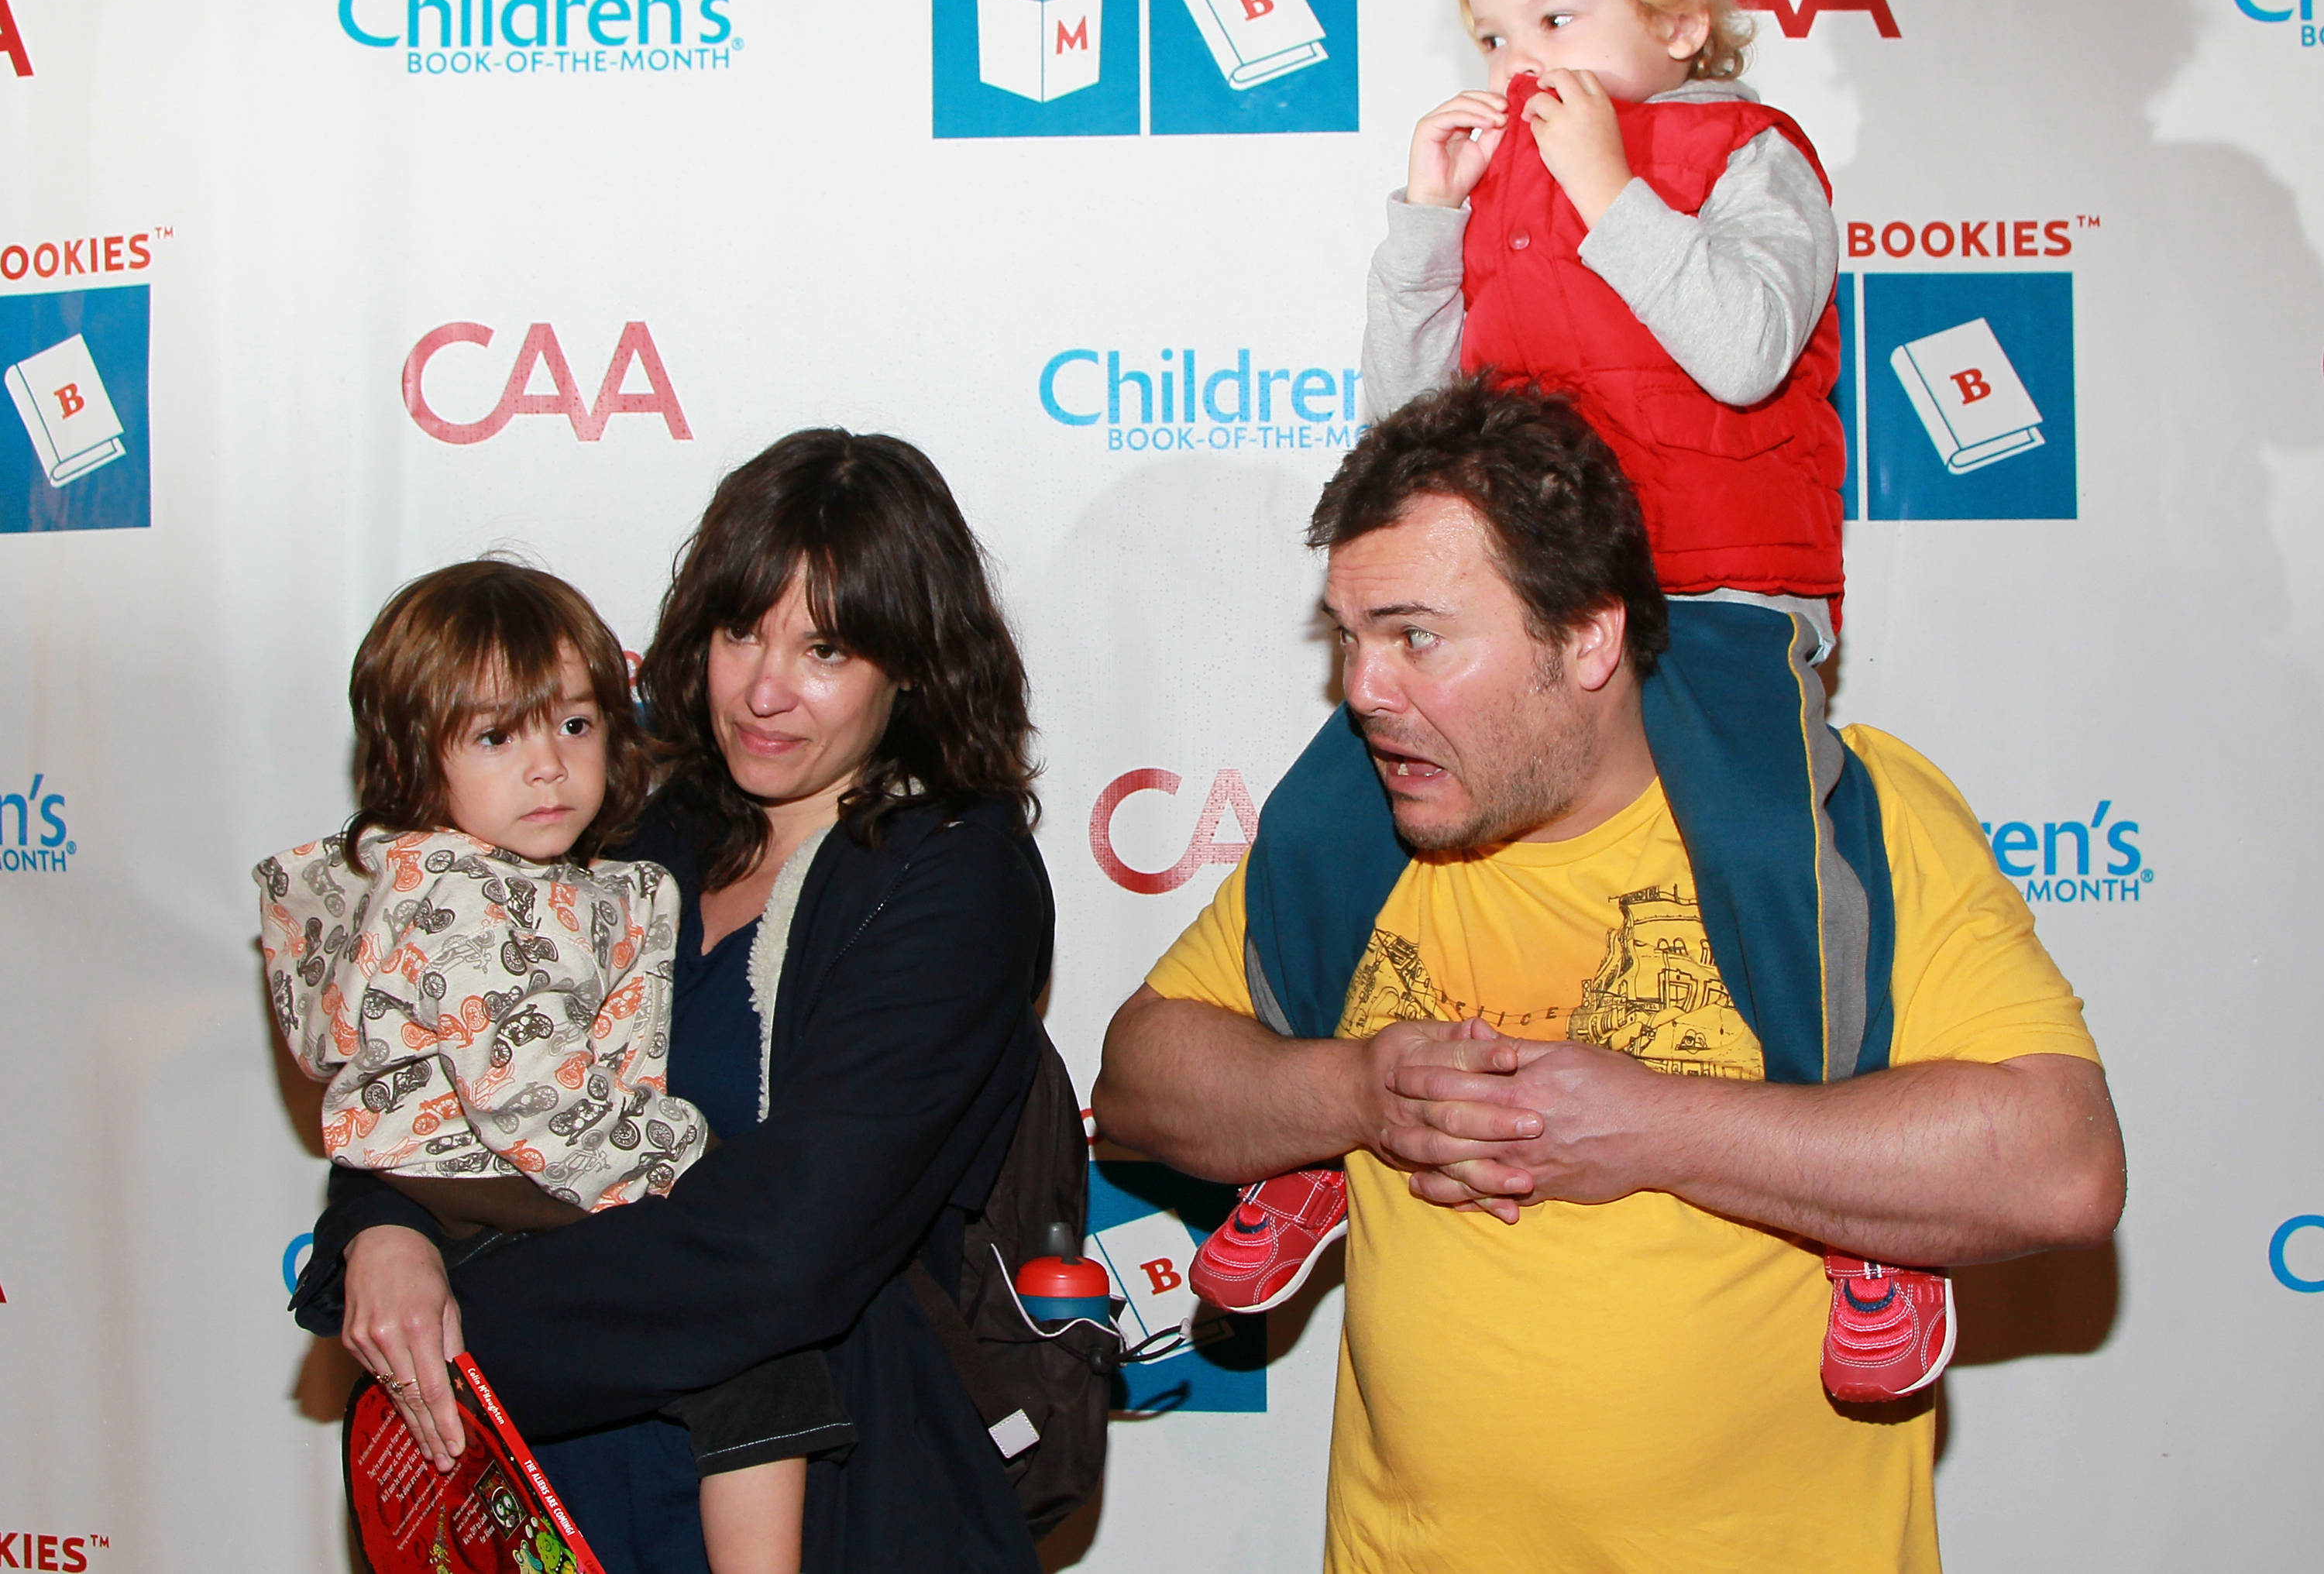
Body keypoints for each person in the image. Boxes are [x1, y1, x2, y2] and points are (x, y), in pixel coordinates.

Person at [1095, 383, 2125, 1572]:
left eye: (1417, 636)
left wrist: (1654, 1128)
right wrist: (1361, 1094)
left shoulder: (1830, 823)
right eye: (1350, 638)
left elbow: (2063, 1163)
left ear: (1587, 636)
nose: (1365, 691)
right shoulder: (1359, 836)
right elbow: (1135, 1081)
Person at [1188, 0, 1880, 1370]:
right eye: (1498, 33)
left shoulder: (1754, 155)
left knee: (1772, 843)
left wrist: (1612, 187)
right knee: (1316, 819)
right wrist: (1427, 224)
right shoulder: (1504, 171)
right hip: (1524, 604)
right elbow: (1406, 429)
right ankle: (1304, 1146)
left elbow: (1748, 347)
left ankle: (1855, 1207)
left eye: (1558, 21)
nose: (1520, 64)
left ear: (1679, 23)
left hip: (1716, 592)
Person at [290, 431, 1053, 1574]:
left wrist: (455, 1337)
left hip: (824, 1499)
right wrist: (385, 1226)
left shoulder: (955, 877)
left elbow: (781, 1249)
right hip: (551, 1499)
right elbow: (443, 1027)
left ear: (915, 665)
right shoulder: (629, 819)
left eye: (827, 647)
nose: (762, 687)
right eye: (742, 629)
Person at [258, 559, 843, 1574]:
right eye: (497, 736)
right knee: (759, 1355)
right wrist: (691, 1161)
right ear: (410, 757)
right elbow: (539, 1104)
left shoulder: (545, 878)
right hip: (504, 1192)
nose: (548, 766)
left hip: (491, 1197)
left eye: (574, 725)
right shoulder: (465, 903)